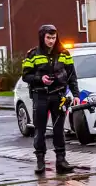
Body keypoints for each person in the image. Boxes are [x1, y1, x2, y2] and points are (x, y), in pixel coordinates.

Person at [22, 24, 80, 175]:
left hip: (58, 96)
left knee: (59, 129)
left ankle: (61, 161)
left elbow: (72, 76)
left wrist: (76, 95)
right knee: (39, 129)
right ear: (42, 37)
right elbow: (25, 76)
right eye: (48, 38)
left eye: (54, 38)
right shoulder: (33, 54)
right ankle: (40, 161)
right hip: (40, 95)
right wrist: (40, 78)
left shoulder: (64, 53)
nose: (51, 41)